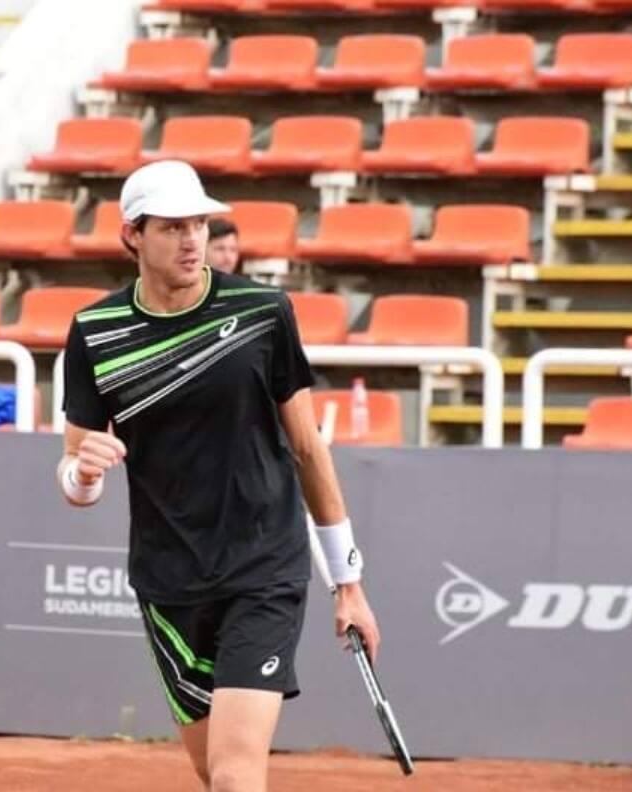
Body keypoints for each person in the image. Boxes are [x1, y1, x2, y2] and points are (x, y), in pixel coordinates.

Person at [57, 160, 379, 792]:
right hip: (168, 577)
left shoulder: (262, 311)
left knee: (234, 775)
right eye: (172, 227)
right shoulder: (95, 331)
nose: (192, 240)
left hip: (263, 566)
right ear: (132, 235)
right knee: (214, 773)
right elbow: (75, 472)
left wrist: (349, 583)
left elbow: (308, 448)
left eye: (199, 224)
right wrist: (84, 475)